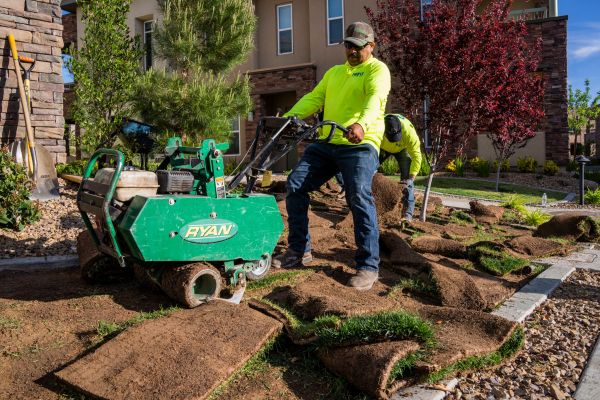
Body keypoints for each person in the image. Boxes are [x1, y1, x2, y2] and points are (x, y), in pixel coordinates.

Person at [272, 21, 391, 291]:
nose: (352, 51)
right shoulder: (335, 73)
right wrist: (288, 119)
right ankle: (300, 250)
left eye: (358, 47)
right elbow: (314, 98)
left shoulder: (377, 70)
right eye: (348, 45)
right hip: (329, 142)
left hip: (361, 144)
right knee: (295, 184)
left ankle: (368, 265)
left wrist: (361, 124)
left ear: (371, 46)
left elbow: (375, 100)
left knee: (358, 194)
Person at [379, 114, 422, 221]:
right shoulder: (377, 125)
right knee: (368, 171)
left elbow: (417, 157)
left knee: (407, 181)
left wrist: (411, 178)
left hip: (402, 150)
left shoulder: (409, 132)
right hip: (381, 147)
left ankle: (407, 215)